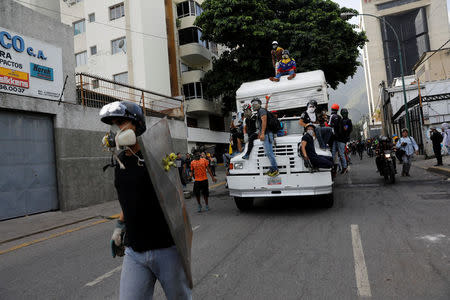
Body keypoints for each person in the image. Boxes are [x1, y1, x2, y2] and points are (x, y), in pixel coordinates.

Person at [99, 101, 192, 300]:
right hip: (135, 252)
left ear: (137, 124)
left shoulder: (157, 156)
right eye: (116, 125)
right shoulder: (121, 161)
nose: (118, 130)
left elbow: (175, 199)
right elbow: (128, 199)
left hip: (167, 249)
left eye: (122, 122)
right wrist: (119, 226)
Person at [252, 97, 279, 176]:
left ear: (259, 104)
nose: (253, 105)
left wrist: (262, 133)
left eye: (255, 104)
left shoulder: (261, 110)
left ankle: (275, 170)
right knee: (268, 153)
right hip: (266, 134)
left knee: (269, 152)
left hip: (267, 134)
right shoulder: (261, 110)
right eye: (252, 104)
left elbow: (264, 121)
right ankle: (273, 168)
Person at [329, 103, 348, 174]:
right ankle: (343, 167)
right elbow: (345, 128)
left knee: (335, 153)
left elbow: (330, 126)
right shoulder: (340, 118)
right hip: (340, 138)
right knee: (340, 153)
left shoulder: (332, 116)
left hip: (336, 138)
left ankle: (334, 167)